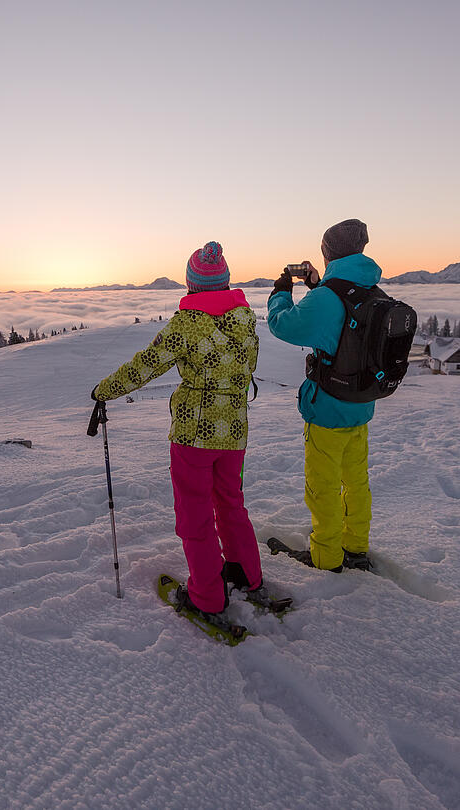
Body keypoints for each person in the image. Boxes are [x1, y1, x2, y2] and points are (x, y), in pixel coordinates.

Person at [91, 241, 262, 617]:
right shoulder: (245, 319)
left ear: (191, 284)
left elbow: (147, 365)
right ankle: (246, 574)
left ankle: (207, 598)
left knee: (195, 514)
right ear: (226, 281)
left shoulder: (187, 324)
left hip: (194, 436)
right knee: (231, 503)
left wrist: (104, 391)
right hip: (234, 432)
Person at [266, 218, 380, 572]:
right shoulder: (371, 289)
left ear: (328, 253)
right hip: (361, 405)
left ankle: (326, 557)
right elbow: (343, 317)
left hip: (329, 407)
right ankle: (356, 547)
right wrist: (318, 283)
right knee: (356, 481)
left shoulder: (329, 298)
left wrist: (281, 292)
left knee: (324, 487)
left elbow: (284, 324)